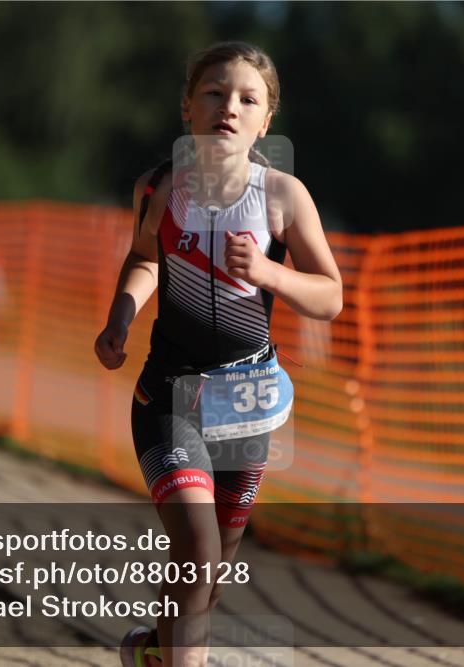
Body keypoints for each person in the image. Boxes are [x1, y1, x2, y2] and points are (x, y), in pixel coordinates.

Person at [94, 41, 343, 667]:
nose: (228, 107)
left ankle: (154, 651)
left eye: (247, 99)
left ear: (265, 121)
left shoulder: (284, 197)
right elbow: (146, 257)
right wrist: (121, 315)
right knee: (200, 550)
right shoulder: (157, 188)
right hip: (169, 393)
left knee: (210, 566)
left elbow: (331, 296)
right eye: (214, 92)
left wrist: (268, 272)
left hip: (248, 402)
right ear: (187, 107)